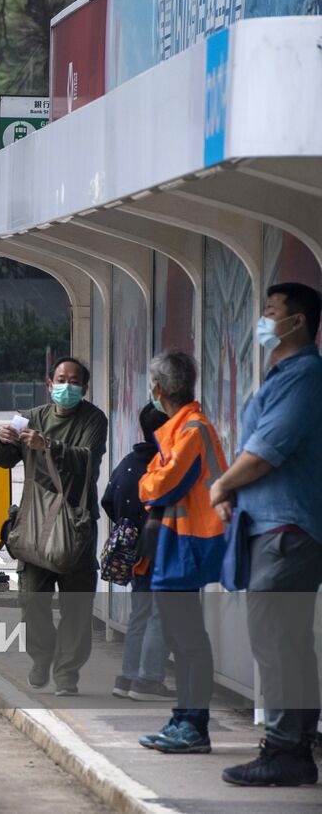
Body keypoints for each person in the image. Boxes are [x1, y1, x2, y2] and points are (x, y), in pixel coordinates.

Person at [209, 282, 322, 786]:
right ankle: (291, 746)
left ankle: (284, 749)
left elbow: (267, 450)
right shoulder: (284, 375)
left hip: (288, 529)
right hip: (273, 528)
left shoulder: (306, 376)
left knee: (277, 642)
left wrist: (223, 483)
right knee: (286, 642)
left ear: (296, 322)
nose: (262, 320)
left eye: (270, 311)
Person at [0, 356, 107, 696]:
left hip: (75, 521)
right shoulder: (30, 417)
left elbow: (87, 458)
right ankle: (42, 658)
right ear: (48, 384)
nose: (66, 386)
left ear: (84, 388)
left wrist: (50, 447)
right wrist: (2, 439)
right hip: (34, 522)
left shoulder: (93, 419)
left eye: (74, 381)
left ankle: (67, 673)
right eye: (61, 379)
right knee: (31, 600)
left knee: (76, 604)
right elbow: (0, 460)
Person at [135, 350, 227, 754]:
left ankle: (194, 726)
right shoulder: (179, 428)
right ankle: (184, 718)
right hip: (177, 546)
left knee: (188, 640)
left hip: (187, 547)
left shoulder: (191, 429)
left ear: (158, 389)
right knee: (181, 637)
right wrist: (151, 479)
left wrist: (149, 481)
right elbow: (155, 477)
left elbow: (159, 485)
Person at [102, 402, 172, 702]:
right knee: (162, 615)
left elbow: (108, 500)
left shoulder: (128, 461)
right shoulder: (165, 463)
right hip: (161, 548)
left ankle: (128, 677)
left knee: (140, 615)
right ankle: (149, 679)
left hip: (134, 553)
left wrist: (128, 527)